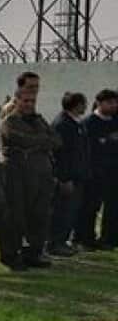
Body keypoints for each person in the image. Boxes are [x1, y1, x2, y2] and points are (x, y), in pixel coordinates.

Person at [0, 88, 60, 270]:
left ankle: (33, 253)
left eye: (32, 101)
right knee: (15, 216)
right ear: (16, 101)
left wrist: (37, 141)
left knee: (39, 216)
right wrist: (41, 141)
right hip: (18, 174)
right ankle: (11, 255)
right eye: (25, 101)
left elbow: (56, 140)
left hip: (42, 174)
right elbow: (19, 139)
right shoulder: (9, 121)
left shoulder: (39, 119)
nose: (29, 105)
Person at [49, 91, 90, 256]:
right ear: (76, 104)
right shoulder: (63, 124)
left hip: (78, 175)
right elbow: (61, 154)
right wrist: (64, 178)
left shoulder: (77, 123)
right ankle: (54, 242)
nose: (85, 107)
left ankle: (63, 240)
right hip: (67, 177)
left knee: (71, 211)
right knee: (62, 211)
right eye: (83, 103)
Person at [78, 89, 118, 249]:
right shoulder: (90, 123)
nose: (114, 106)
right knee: (91, 206)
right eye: (110, 102)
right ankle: (86, 238)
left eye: (115, 102)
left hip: (114, 172)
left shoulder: (115, 120)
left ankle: (110, 238)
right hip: (95, 171)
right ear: (99, 103)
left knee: (113, 206)